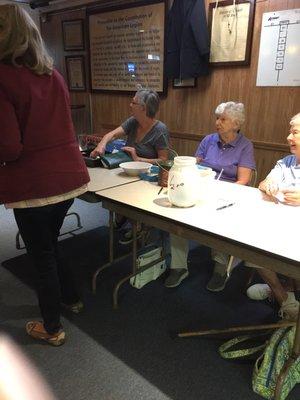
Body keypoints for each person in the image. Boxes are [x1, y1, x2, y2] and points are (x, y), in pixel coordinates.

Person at [0, 4, 90, 345]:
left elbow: (9, 148)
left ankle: (52, 328)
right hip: (69, 177)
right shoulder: (53, 75)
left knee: (41, 256)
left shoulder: (3, 77)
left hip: (35, 183)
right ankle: (72, 297)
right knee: (49, 246)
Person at [165, 101, 256, 289]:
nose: (218, 122)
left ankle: (220, 268)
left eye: (223, 119)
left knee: (221, 221)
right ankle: (179, 266)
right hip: (201, 189)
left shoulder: (245, 146)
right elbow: (193, 165)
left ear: (236, 124)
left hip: (226, 196)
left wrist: (221, 193)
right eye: (217, 118)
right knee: (177, 215)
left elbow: (243, 180)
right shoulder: (208, 140)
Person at [91, 88, 170, 244]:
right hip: (129, 172)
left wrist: (137, 157)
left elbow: (163, 161)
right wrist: (101, 144)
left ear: (143, 108)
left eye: (133, 102)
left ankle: (138, 226)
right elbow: (111, 134)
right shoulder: (133, 121)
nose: (130, 104)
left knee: (130, 196)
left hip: (147, 177)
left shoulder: (160, 130)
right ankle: (126, 219)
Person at [246, 112, 300, 321]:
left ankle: (288, 290)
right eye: (290, 131)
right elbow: (264, 184)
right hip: (277, 224)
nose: (288, 137)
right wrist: (267, 185)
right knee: (247, 241)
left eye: (294, 132)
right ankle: (284, 297)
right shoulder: (286, 162)